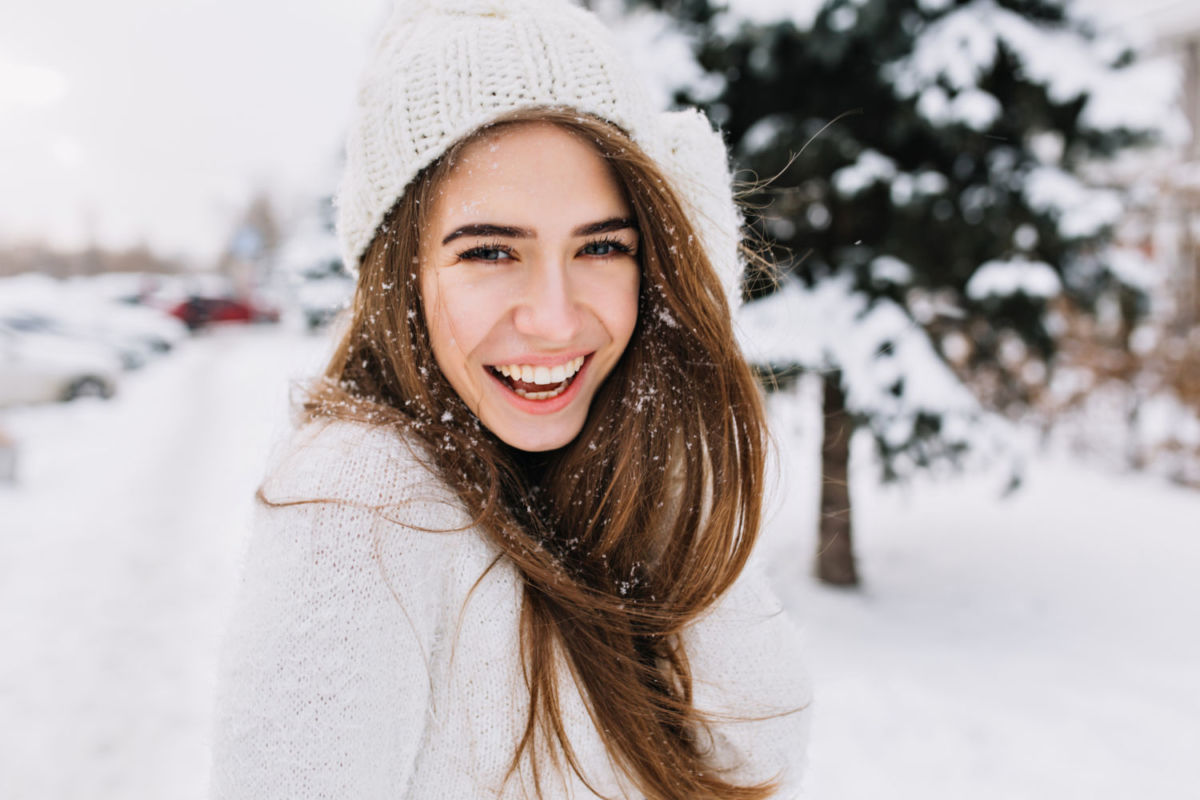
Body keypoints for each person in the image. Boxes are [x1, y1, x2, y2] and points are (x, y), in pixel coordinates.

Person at [209, 1, 811, 798]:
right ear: (403, 276)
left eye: (601, 246)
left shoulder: (600, 468)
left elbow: (756, 754)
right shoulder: (361, 502)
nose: (555, 318)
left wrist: (683, 364)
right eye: (490, 251)